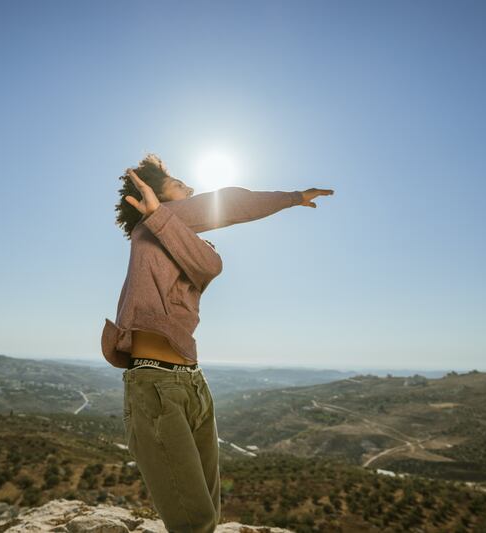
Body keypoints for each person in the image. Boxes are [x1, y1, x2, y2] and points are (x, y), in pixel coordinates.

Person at [102, 153, 333, 532]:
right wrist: (290, 197)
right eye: (179, 183)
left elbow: (209, 263)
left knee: (207, 513)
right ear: (154, 198)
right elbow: (231, 203)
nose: (191, 189)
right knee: (195, 522)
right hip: (156, 388)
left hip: (192, 382)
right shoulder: (149, 229)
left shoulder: (188, 242)